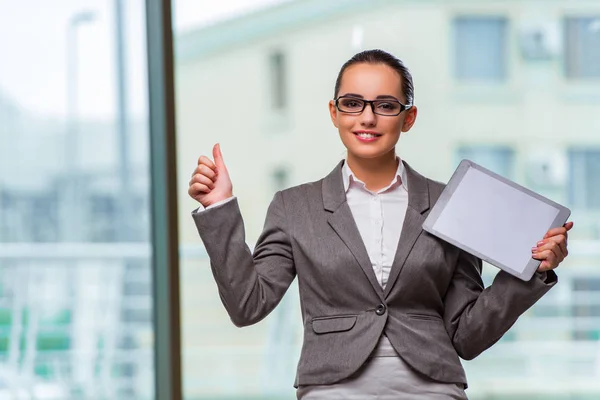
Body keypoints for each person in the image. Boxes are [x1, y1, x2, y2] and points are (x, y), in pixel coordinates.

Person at [188, 49, 573, 399]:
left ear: (409, 118)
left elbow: (467, 336)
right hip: (331, 387)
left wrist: (528, 273)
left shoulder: (451, 203)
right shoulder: (294, 207)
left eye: (385, 105)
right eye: (353, 104)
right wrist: (218, 209)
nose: (367, 117)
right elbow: (247, 305)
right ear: (334, 112)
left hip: (432, 387)